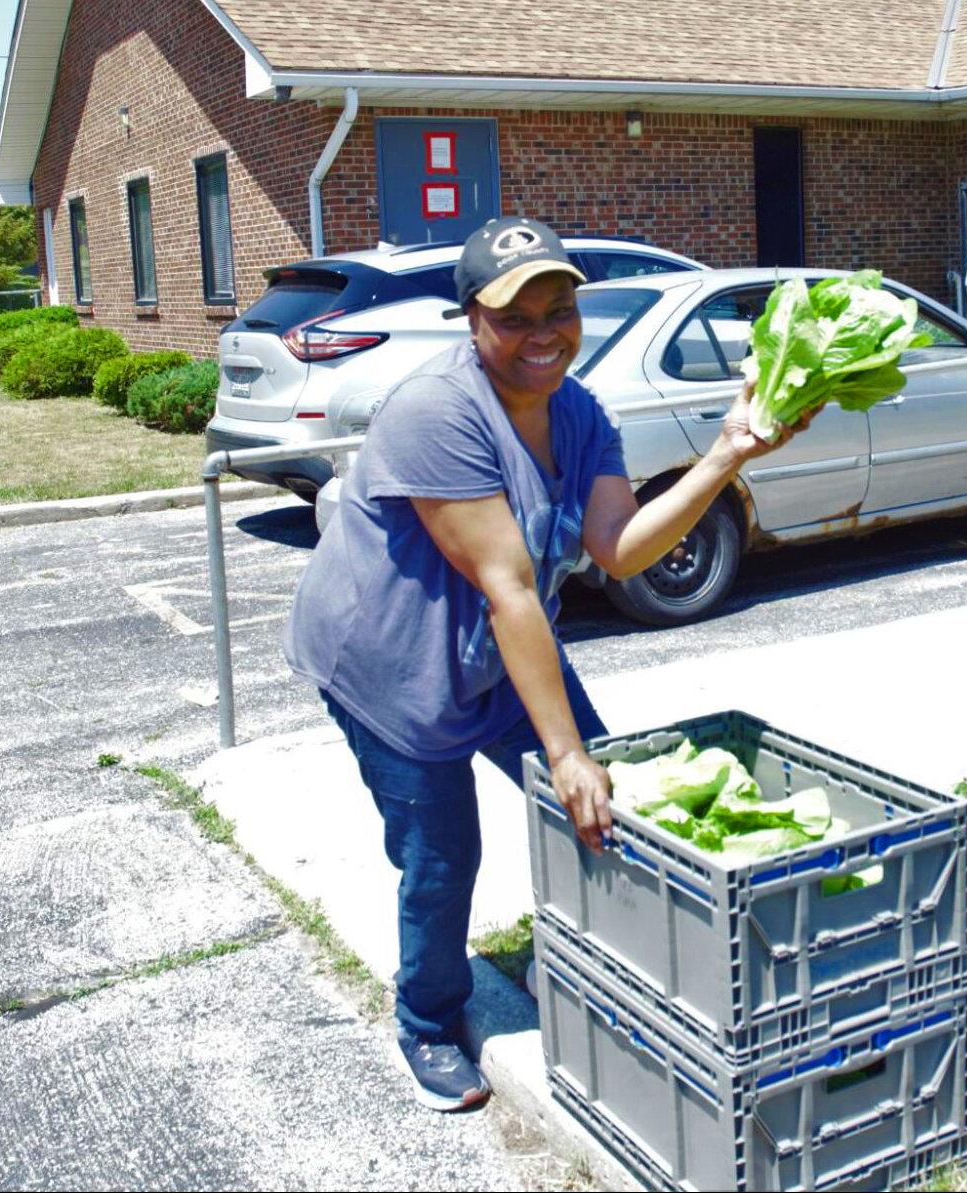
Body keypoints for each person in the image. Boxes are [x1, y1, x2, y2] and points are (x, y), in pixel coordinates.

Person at [283, 216, 805, 1111]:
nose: (542, 335)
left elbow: (619, 548)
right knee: (443, 856)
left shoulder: (580, 412)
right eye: (514, 317)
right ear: (471, 320)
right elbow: (509, 588)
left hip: (498, 651)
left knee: (610, 806)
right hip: (392, 671)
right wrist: (562, 754)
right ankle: (428, 1020)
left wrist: (726, 455)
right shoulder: (435, 413)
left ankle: (613, 973)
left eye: (558, 310)